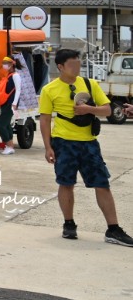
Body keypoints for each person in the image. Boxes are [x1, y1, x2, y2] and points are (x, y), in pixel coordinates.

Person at [38, 48, 133, 246]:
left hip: (89, 142)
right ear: (61, 67)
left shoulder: (90, 84)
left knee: (102, 183)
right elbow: (45, 120)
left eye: (78, 64)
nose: (76, 68)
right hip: (63, 142)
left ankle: (113, 229)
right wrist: (48, 147)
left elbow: (107, 109)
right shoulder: (49, 90)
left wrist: (88, 109)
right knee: (66, 183)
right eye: (72, 65)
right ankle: (69, 224)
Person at [0, 56, 21, 155]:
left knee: (1, 124)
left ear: (11, 64)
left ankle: (9, 145)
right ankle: (9, 146)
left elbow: (18, 90)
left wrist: (14, 103)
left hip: (11, 103)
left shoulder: (15, 75)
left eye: (5, 62)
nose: (4, 64)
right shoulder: (9, 75)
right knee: (6, 125)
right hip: (6, 103)